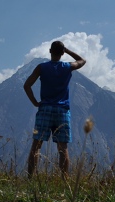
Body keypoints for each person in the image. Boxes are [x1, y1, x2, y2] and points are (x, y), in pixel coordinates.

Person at [24, 40, 86, 179]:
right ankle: (64, 180)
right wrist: (68, 51)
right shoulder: (67, 67)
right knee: (63, 148)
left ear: (50, 51)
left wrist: (35, 102)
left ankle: (30, 179)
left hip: (44, 109)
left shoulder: (41, 68)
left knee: (36, 145)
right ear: (62, 53)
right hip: (62, 111)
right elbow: (82, 61)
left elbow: (27, 85)